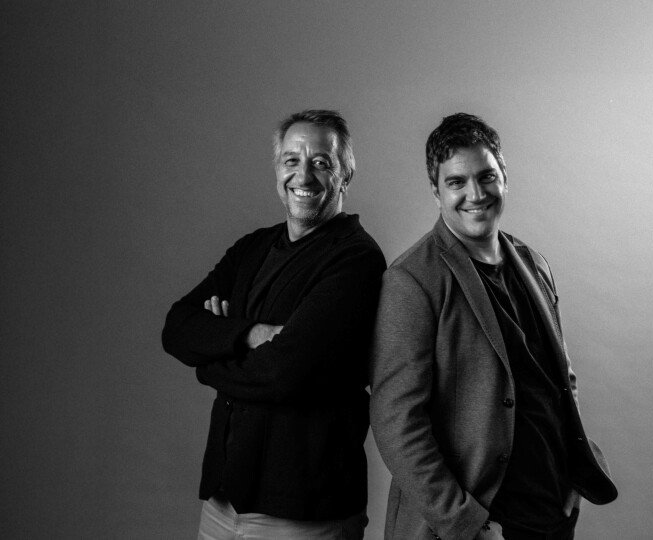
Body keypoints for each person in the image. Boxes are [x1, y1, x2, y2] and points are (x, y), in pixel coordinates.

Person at [370, 113, 617, 540]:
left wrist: (573, 479)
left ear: (505, 177)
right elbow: (396, 422)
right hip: (476, 524)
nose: (476, 194)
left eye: (486, 176)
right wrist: (468, 523)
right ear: (436, 192)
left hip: (549, 512)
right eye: (457, 182)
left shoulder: (534, 264)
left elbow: (560, 380)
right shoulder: (412, 281)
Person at [162, 110, 386, 540]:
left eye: (321, 162)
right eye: (291, 160)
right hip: (223, 502)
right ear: (277, 170)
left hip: (304, 513)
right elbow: (176, 327)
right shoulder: (253, 248)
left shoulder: (356, 259)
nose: (303, 175)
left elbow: (285, 372)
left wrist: (209, 360)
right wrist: (252, 334)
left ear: (346, 174)